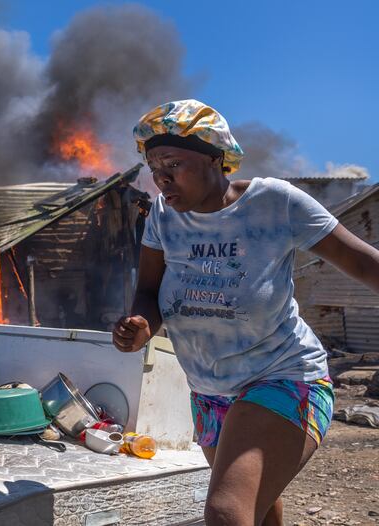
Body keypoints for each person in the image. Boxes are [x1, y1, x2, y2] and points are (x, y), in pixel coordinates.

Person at [113, 99, 379, 526]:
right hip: (209, 391)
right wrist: (141, 325)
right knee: (255, 506)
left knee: (225, 512)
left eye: (174, 165)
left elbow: (364, 263)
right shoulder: (163, 216)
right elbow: (148, 290)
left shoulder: (274, 203)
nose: (163, 180)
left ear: (216, 159)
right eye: (155, 170)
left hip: (284, 377)